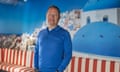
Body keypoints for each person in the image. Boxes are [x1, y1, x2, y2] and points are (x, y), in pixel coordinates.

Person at [34, 5, 72, 72]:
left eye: (55, 15)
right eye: (50, 14)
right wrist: (35, 67)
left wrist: (59, 70)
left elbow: (68, 55)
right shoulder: (41, 33)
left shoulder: (65, 34)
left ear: (59, 18)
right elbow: (36, 52)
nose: (52, 17)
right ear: (46, 16)